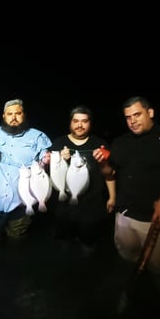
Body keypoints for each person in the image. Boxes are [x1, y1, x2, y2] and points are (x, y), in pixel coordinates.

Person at [93, 96, 160, 310]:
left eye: (137, 114)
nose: (132, 121)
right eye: (128, 117)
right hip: (124, 215)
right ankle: (130, 292)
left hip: (158, 219)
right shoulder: (120, 142)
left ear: (149, 113)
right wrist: (103, 164)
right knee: (126, 259)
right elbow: (110, 174)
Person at [0, 98, 52, 243]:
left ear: (24, 115)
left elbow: (44, 162)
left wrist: (46, 160)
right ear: (4, 116)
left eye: (18, 113)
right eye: (10, 114)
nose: (14, 118)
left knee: (17, 239)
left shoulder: (38, 136)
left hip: (23, 202)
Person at [47, 105, 115, 254]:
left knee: (89, 243)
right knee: (63, 242)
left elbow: (109, 174)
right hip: (64, 205)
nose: (79, 125)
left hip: (93, 204)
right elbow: (49, 174)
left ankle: (86, 269)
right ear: (70, 123)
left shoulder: (100, 144)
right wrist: (57, 160)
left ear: (90, 123)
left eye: (84, 121)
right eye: (76, 121)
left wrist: (112, 197)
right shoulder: (59, 143)